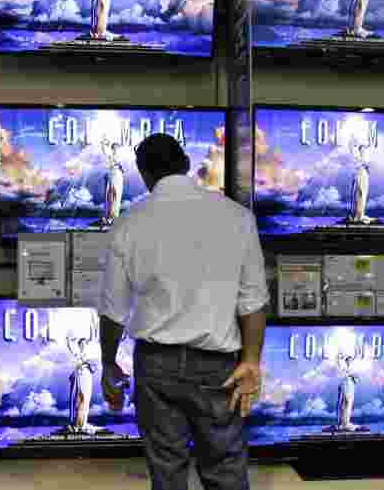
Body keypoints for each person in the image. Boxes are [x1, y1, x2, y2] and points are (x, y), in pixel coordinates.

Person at [99, 133, 268, 490]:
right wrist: (251, 360)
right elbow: (252, 301)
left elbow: (113, 310)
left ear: (144, 174)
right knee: (224, 470)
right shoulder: (238, 217)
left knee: (167, 472)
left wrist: (108, 363)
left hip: (155, 365)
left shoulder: (128, 222)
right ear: (188, 165)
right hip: (217, 366)